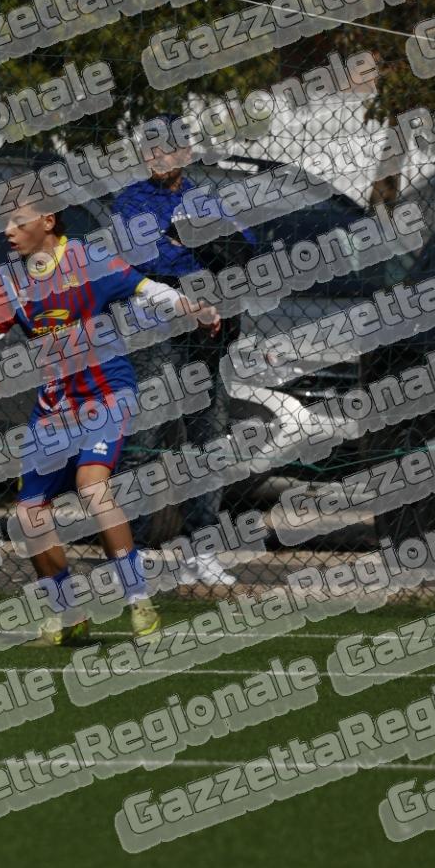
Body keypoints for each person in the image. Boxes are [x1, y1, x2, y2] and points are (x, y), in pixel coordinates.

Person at [0, 178, 222, 645]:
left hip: (106, 395)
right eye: (4, 223)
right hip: (54, 408)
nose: (8, 231)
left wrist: (190, 306)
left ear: (48, 221)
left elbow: (148, 289)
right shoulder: (9, 282)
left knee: (92, 487)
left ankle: (138, 602)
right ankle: (69, 612)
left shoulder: (87, 261)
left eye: (18, 221)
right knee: (28, 515)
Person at [109, 112, 255, 588]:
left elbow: (244, 248)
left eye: (169, 147)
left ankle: (202, 551)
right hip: (154, 332)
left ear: (186, 153)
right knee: (142, 444)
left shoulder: (205, 198)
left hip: (204, 337)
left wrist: (195, 241)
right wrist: (201, 249)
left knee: (209, 444)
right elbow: (148, 259)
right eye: (151, 147)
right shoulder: (130, 201)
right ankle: (127, 555)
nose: (160, 156)